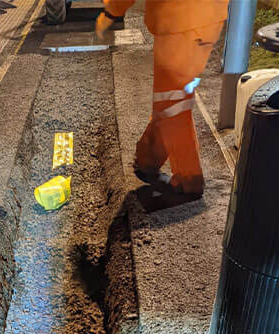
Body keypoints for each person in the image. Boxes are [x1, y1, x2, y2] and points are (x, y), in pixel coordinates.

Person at [97, 0, 229, 201]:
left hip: (179, 21)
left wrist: (112, 11)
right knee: (174, 98)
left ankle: (189, 179)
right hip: (208, 18)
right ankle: (147, 159)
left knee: (173, 106)